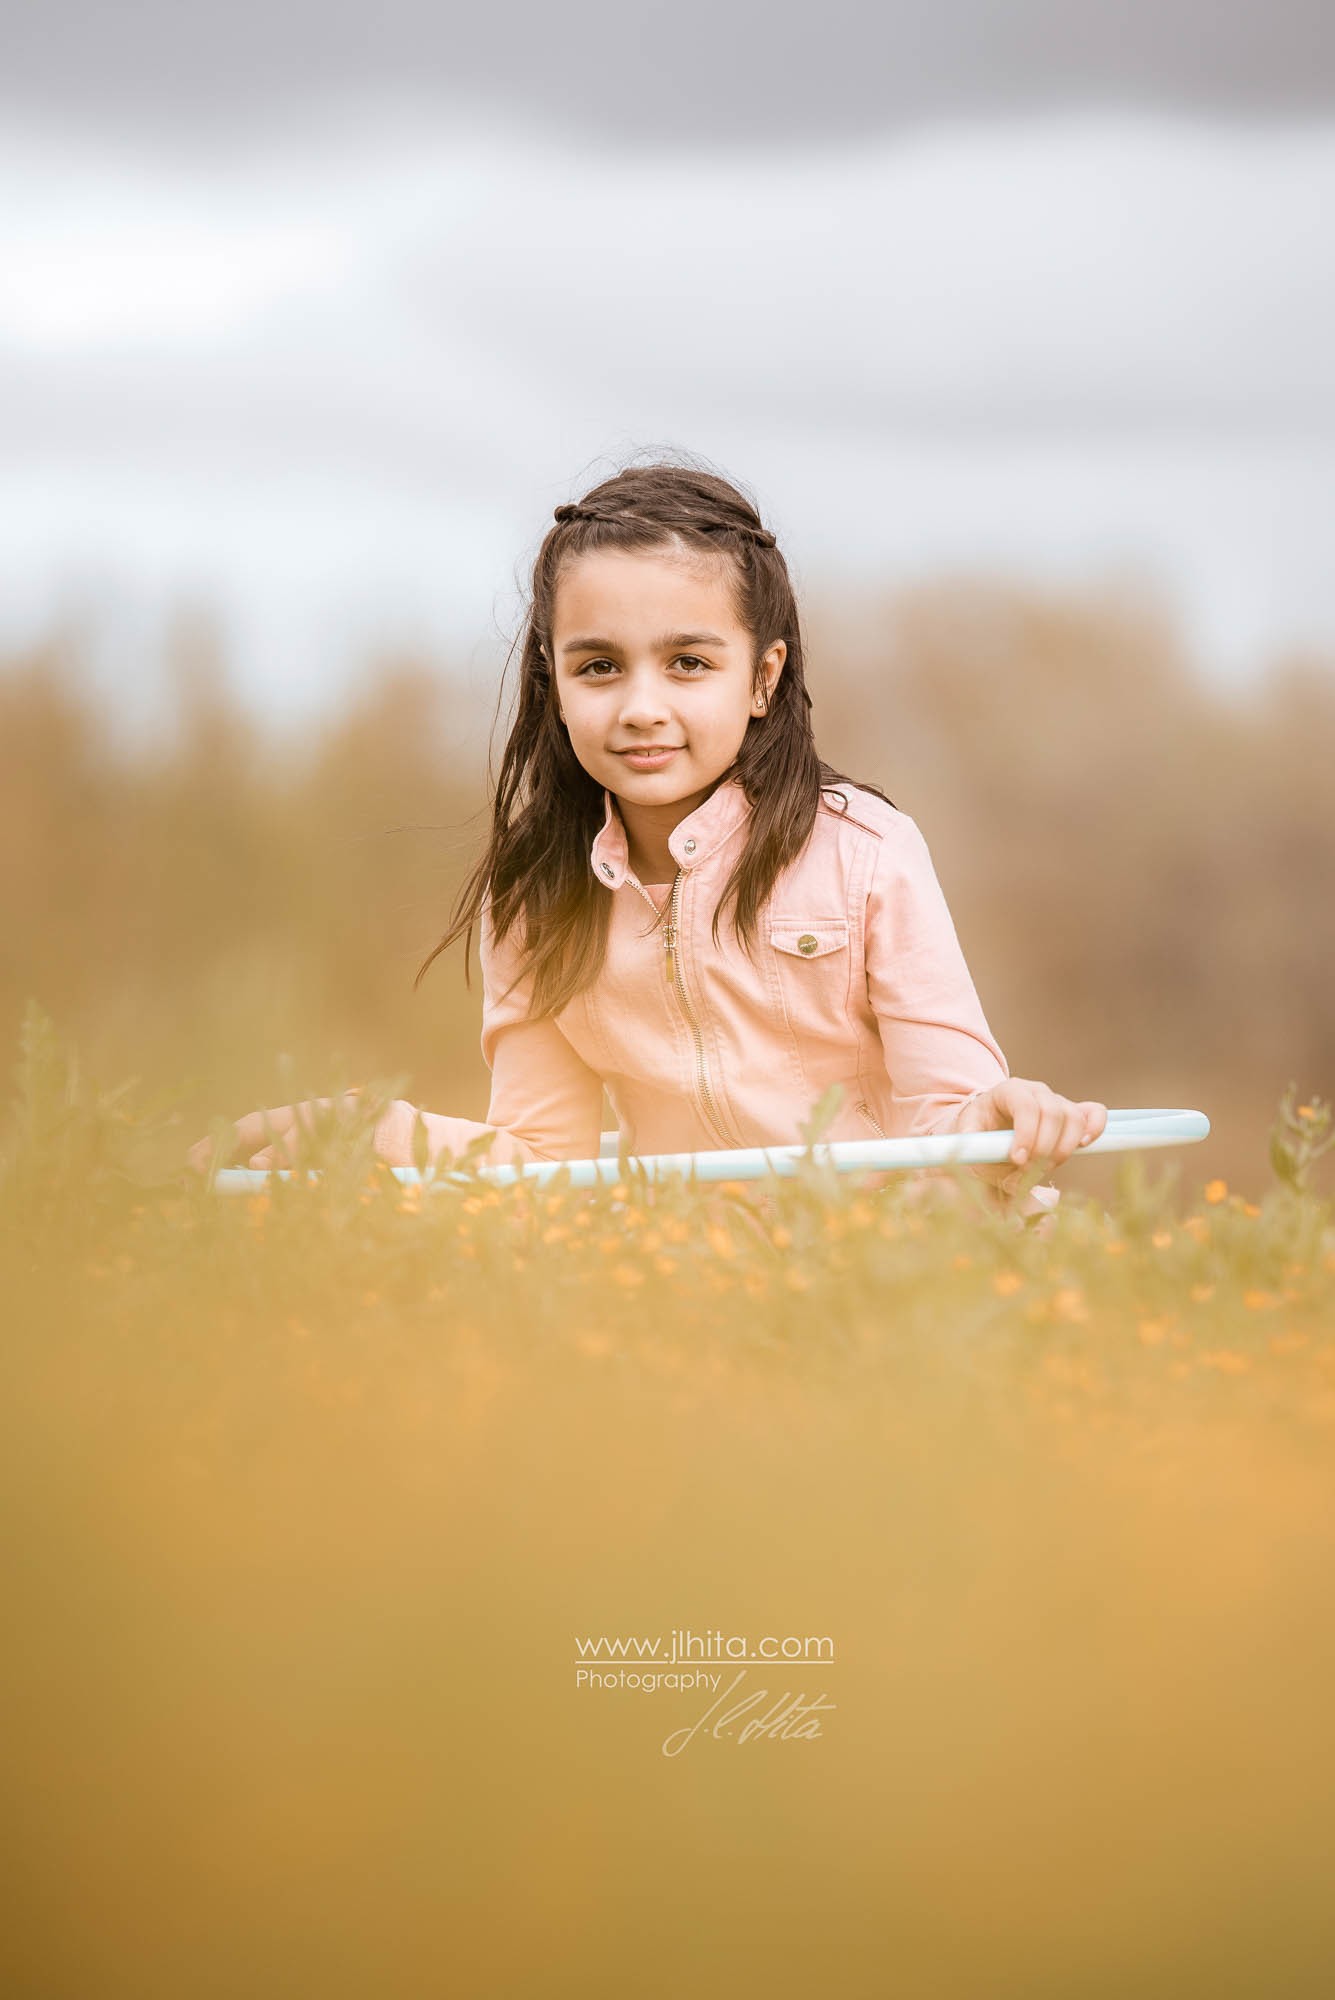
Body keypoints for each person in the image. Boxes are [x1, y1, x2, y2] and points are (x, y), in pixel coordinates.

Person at [187, 462, 1107, 1215]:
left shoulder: (865, 851)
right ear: (553, 681)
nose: (640, 708)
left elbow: (956, 1112)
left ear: (762, 677)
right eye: (598, 667)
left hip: (906, 1282)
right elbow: (539, 1167)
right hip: (688, 1303)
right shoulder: (536, 899)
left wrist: (1002, 1115)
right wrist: (376, 1130)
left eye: (688, 664)